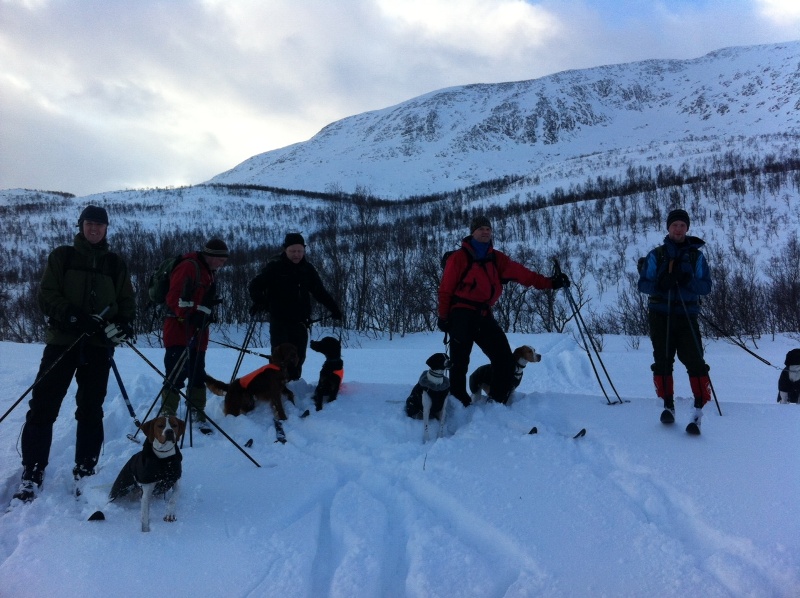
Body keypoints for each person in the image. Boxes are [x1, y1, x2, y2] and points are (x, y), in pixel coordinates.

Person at [12, 205, 136, 503]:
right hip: (62, 341)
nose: (94, 229)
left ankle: (85, 469)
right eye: (89, 224)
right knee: (43, 404)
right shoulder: (62, 256)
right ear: (81, 226)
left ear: (107, 229)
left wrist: (122, 326)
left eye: (99, 225)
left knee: (91, 408)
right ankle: (32, 472)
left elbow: (126, 302)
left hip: (97, 346)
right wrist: (73, 316)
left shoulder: (115, 263)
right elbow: (47, 295)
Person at [437, 216, 568, 406]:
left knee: (504, 359)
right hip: (461, 314)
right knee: (459, 364)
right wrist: (443, 316)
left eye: (488, 229)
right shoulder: (458, 258)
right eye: (481, 228)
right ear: (472, 232)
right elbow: (446, 289)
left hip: (483, 315)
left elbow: (524, 274)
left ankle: (497, 401)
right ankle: (459, 403)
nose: (485, 231)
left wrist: (551, 282)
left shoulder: (496, 258)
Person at [638, 209, 712, 433]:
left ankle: (698, 409)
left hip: (687, 314)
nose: (678, 229)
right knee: (662, 360)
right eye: (674, 225)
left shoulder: (696, 256)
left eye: (682, 225)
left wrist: (687, 280)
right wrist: (661, 284)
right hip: (660, 314)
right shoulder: (656, 255)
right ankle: (667, 406)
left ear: (687, 228)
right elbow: (643, 285)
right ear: (668, 228)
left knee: (695, 361)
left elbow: (706, 287)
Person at [249, 232, 342, 381]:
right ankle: (276, 387)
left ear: (304, 251)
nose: (296, 254)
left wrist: (334, 309)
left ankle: (293, 386)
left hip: (300, 322)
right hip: (279, 320)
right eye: (293, 251)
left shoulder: (307, 269)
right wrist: (259, 301)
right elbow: (254, 285)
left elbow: (320, 292)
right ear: (285, 250)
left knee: (298, 357)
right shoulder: (275, 267)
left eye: (300, 251)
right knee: (280, 357)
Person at [159, 238, 228, 434]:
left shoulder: (209, 272)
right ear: (211, 256)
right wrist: (190, 315)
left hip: (198, 334)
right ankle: (167, 413)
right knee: (176, 374)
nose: (223, 264)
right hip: (178, 331)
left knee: (197, 373)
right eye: (221, 260)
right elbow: (173, 298)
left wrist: (205, 314)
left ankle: (197, 411)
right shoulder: (189, 267)